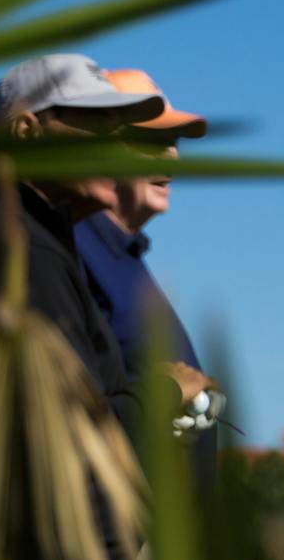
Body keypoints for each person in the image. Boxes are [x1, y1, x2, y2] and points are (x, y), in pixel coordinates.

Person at [0, 53, 215, 560]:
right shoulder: (15, 250)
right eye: (96, 126)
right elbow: (65, 442)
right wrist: (166, 393)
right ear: (27, 133)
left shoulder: (30, 243)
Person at [73, 67, 210, 392]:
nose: (172, 159)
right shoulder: (71, 246)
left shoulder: (125, 254)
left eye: (173, 142)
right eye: (152, 142)